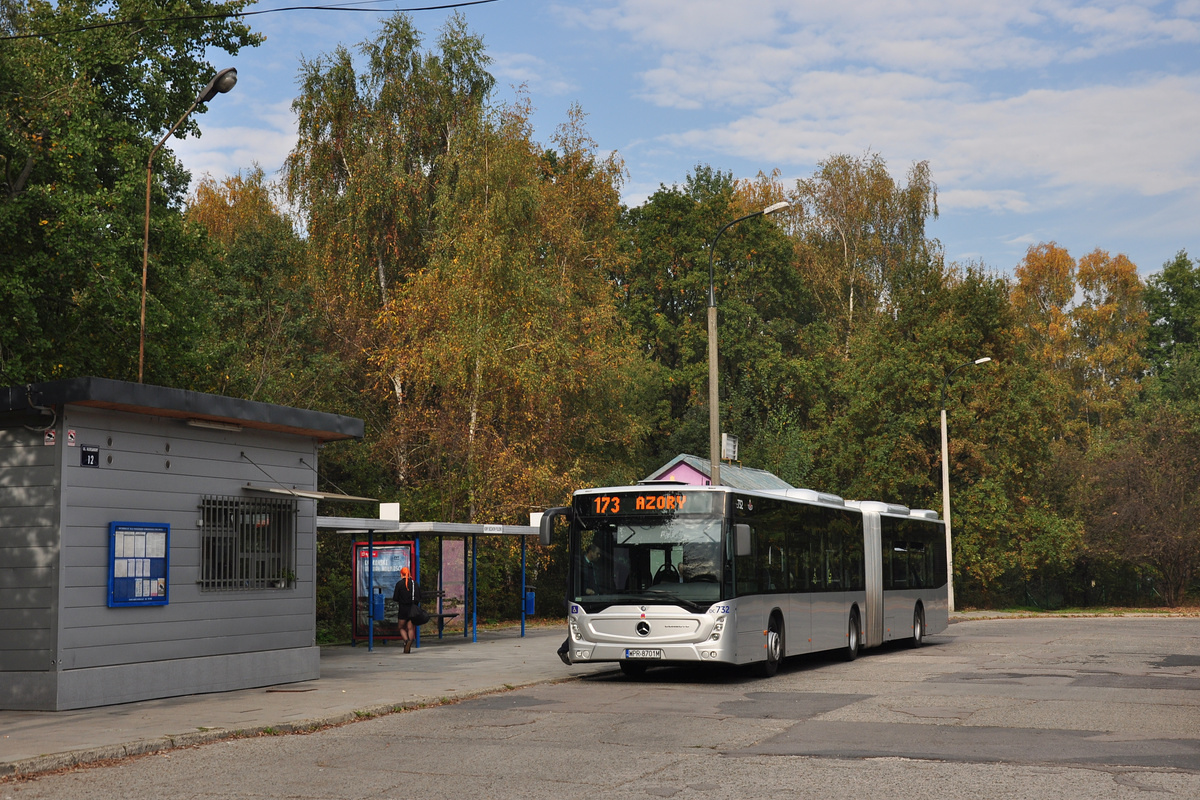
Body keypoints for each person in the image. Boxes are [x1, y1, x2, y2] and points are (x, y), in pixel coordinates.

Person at [393, 566, 422, 653]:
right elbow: (419, 597)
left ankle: (406, 641)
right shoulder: (415, 584)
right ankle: (410, 640)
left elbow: (395, 598)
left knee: (401, 627)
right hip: (412, 609)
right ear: (409, 574)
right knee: (410, 628)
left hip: (403, 608)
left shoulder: (399, 584)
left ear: (401, 574)